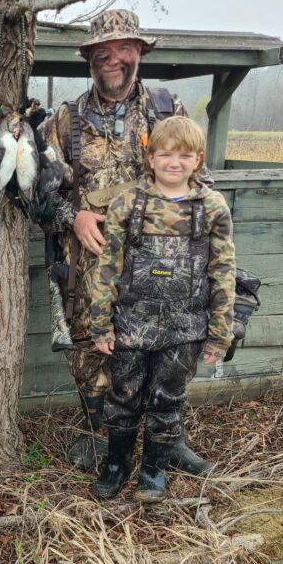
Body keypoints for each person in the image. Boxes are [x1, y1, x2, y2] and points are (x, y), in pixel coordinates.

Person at [41, 8, 214, 475]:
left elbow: (202, 182)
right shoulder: (66, 120)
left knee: (168, 358)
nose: (112, 59)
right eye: (101, 52)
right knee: (93, 361)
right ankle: (104, 442)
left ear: (138, 52)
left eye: (122, 49)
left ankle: (166, 441)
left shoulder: (165, 109)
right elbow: (37, 194)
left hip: (161, 271)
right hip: (91, 271)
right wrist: (72, 216)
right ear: (90, 59)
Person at [89, 117, 235, 502]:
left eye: (184, 155)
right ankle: (116, 465)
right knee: (123, 397)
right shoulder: (128, 202)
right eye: (166, 154)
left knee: (168, 399)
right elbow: (108, 267)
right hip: (130, 324)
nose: (175, 162)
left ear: (198, 160)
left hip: (184, 328)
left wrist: (220, 333)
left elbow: (223, 272)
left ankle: (154, 471)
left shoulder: (212, 206)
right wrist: (101, 325)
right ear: (150, 158)